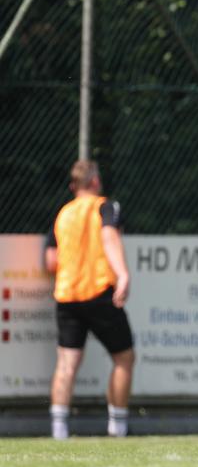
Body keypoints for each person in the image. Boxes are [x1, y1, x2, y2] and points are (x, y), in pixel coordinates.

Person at [44, 160, 135, 439]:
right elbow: (108, 237)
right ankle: (117, 426)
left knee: (66, 363)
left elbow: (50, 261)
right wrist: (122, 274)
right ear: (95, 182)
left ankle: (59, 430)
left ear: (73, 186)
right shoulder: (106, 207)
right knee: (124, 358)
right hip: (98, 293)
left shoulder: (63, 214)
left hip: (67, 295)